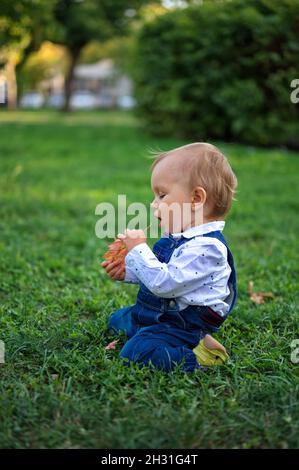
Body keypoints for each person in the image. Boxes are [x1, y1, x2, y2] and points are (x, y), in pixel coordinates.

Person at [101, 142, 237, 372]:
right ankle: (146, 331)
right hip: (160, 313)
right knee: (117, 320)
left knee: (136, 353)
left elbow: (164, 284)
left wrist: (139, 249)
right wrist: (128, 270)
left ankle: (201, 355)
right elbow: (161, 269)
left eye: (162, 195)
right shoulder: (177, 237)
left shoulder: (208, 248)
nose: (154, 204)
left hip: (182, 323)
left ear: (196, 199)